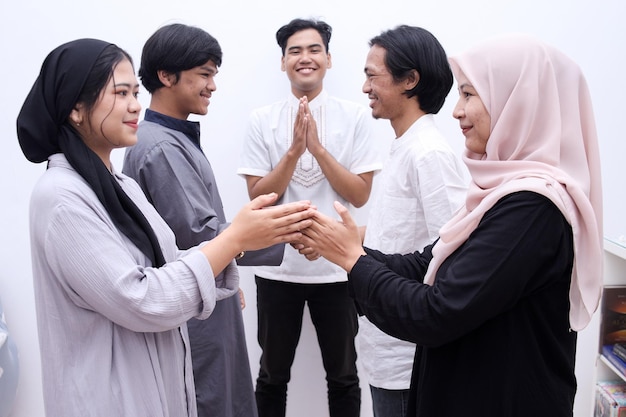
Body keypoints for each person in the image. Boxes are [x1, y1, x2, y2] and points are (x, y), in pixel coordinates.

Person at [298, 33, 603, 417]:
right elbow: (432, 261)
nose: (456, 111)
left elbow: (438, 310)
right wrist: (342, 248)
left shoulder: (533, 207)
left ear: (518, 102)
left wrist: (354, 260)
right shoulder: (500, 194)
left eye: (471, 95)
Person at [16, 38, 313, 417]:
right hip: (109, 399)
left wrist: (239, 241)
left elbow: (166, 260)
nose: (135, 105)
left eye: (135, 92)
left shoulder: (119, 187)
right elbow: (142, 298)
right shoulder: (61, 198)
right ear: (76, 107)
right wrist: (236, 237)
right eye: (120, 93)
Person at [122, 23, 281, 417]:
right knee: (210, 400)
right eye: (205, 74)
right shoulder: (160, 146)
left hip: (207, 296)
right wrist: (284, 230)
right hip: (195, 312)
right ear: (166, 75)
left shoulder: (170, 139)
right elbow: (200, 234)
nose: (213, 85)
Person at [237, 18, 382, 417]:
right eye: (295, 51)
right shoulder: (261, 119)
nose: (305, 58)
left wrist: (316, 149)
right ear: (283, 62)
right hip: (277, 269)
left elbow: (359, 193)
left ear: (329, 59)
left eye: (314, 49)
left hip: (339, 268)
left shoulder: (355, 117)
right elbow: (258, 197)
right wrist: (292, 151)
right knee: (271, 376)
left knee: (344, 376)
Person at [358, 25, 467, 417]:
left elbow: (452, 253)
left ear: (409, 80)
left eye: (373, 75)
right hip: (385, 344)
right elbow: (400, 234)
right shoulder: (404, 146)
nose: (365, 87)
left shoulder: (429, 154)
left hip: (407, 357)